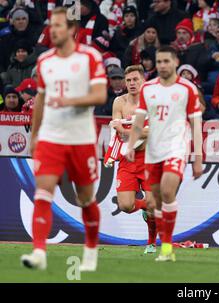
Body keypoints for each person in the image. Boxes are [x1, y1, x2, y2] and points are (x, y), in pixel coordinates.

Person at [20, 7, 107, 271]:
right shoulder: (45, 61)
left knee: (85, 199)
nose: (52, 30)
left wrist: (70, 100)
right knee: (43, 192)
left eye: (58, 25)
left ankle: (91, 251)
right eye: (50, 25)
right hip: (51, 137)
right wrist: (35, 135)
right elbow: (42, 100)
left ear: (72, 30)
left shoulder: (89, 57)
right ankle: (38, 252)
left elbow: (100, 96)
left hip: (81, 138)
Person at [126, 46, 203, 262]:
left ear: (175, 62)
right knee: (155, 202)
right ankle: (165, 245)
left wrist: (198, 158)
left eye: (166, 61)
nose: (162, 65)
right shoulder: (147, 89)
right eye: (159, 62)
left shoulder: (187, 89)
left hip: (176, 148)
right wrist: (131, 145)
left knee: (168, 192)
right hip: (153, 151)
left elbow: (196, 123)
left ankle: (167, 248)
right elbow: (139, 120)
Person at [110, 65, 157, 254]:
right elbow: (116, 127)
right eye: (128, 80)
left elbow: (153, 131)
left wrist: (126, 130)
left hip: (150, 159)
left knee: (153, 207)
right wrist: (135, 132)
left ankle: (152, 243)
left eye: (135, 79)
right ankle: (150, 207)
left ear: (143, 81)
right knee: (126, 206)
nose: (131, 83)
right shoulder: (119, 102)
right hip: (127, 159)